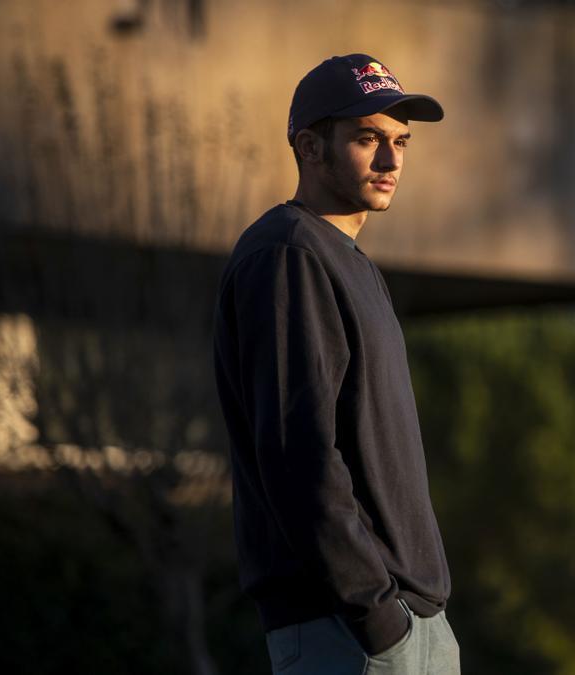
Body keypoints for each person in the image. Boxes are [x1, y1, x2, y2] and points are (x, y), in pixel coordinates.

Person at [212, 54, 458, 674]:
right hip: (349, 631)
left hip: (412, 619)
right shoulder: (288, 254)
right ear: (310, 146)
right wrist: (377, 620)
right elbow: (299, 456)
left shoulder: (348, 260)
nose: (392, 160)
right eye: (368, 138)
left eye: (401, 142)